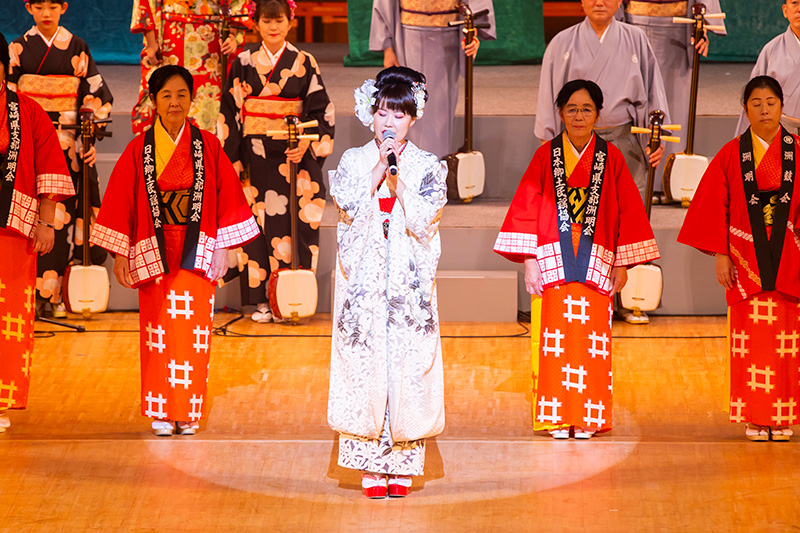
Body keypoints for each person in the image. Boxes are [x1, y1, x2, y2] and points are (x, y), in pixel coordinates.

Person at [90, 65, 259, 436]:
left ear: (192, 99)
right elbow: (122, 201)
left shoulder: (209, 146)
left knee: (194, 333)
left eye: (182, 94)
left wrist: (225, 247)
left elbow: (228, 197)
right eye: (166, 95)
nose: (174, 102)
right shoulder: (140, 148)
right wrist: (122, 252)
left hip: (197, 246)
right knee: (159, 332)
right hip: (154, 246)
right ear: (154, 101)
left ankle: (189, 410)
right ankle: (162, 410)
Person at [495, 79, 660, 439]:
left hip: (598, 259)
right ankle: (558, 415)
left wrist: (622, 262)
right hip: (553, 257)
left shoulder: (611, 157)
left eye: (587, 109)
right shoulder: (545, 156)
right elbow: (526, 208)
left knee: (592, 344)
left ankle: (588, 415)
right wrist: (529, 260)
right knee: (555, 341)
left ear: (599, 114)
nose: (579, 116)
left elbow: (628, 212)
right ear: (560, 113)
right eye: (572, 109)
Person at [327, 67, 446, 497]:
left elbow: (423, 221)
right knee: (366, 363)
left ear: (413, 118)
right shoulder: (354, 162)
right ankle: (368, 464)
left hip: (406, 287)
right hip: (364, 285)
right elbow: (346, 207)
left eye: (398, 114)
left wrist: (399, 183)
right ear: (369, 115)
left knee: (406, 364)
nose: (389, 123)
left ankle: (403, 463)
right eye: (381, 113)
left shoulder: (429, 167)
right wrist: (376, 172)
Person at [679, 76, 800, 442]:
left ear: (782, 106)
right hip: (744, 256)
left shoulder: (798, 151)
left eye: (771, 102)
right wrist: (720, 255)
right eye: (756, 103)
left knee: (786, 339)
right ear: (744, 109)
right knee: (750, 338)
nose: (764, 109)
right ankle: (753, 415)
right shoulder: (732, 154)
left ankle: (782, 415)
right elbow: (714, 208)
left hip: (788, 256)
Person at [217, 0, 334, 323]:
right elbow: (230, 113)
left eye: (278, 20)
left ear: (289, 22)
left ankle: (293, 298)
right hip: (253, 155)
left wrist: (307, 143)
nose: (273, 27)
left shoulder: (304, 61)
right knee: (253, 225)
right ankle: (262, 301)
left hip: (292, 154)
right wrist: (234, 160)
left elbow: (320, 110)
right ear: (255, 24)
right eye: (266, 21)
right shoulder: (242, 62)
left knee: (293, 222)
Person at [7, 0, 113, 318]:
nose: (46, 14)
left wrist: (88, 137)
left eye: (53, 6)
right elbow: (10, 96)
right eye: (39, 7)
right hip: (28, 145)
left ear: (64, 8)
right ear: (28, 9)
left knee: (63, 217)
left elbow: (95, 96)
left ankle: (55, 297)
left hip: (68, 144)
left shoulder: (77, 46)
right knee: (29, 217)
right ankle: (25, 295)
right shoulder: (17, 49)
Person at [0, 31, 75, 433]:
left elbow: (48, 167)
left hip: (15, 226)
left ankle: (0, 402)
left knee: (10, 313)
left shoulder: (28, 111)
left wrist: (46, 222)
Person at [536, 0, 669, 201]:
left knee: (628, 208)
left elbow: (654, 89)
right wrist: (548, 138)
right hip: (576, 142)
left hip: (625, 140)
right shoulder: (561, 42)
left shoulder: (636, 39)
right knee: (579, 211)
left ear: (619, 2)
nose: (599, 2)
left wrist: (658, 137)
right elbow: (548, 94)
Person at [370, 0, 496, 159]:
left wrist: (472, 33)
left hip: (446, 36)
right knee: (405, 104)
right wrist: (388, 48)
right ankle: (401, 171)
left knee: (439, 110)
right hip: (407, 35)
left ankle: (434, 172)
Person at [622, 0, 726, 191]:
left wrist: (701, 22)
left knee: (675, 102)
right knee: (634, 94)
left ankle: (672, 182)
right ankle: (635, 180)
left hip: (678, 24)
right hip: (633, 19)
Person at [130, 0, 253, 134]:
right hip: (170, 32)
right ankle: (164, 150)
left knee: (209, 101)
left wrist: (231, 34)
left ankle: (207, 148)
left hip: (212, 36)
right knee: (167, 91)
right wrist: (151, 42)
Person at [735, 0, 800, 135]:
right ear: (785, 10)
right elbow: (754, 98)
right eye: (795, 3)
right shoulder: (771, 50)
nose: (799, 9)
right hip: (779, 134)